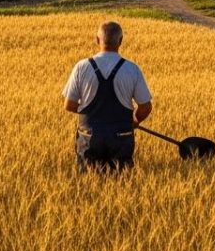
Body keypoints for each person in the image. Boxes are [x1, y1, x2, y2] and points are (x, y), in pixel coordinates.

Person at [62, 21, 152, 172]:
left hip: (89, 136)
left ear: (97, 40)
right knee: (121, 184)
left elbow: (69, 104)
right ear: (121, 41)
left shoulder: (82, 67)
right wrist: (134, 121)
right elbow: (145, 107)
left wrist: (91, 111)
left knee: (87, 184)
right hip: (121, 136)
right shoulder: (132, 69)